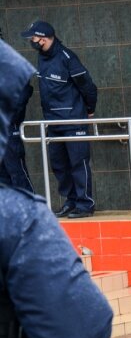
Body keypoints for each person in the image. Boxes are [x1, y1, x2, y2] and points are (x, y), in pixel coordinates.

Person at [0, 40, 113, 338]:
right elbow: (83, 329)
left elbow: (88, 87)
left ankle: (81, 203)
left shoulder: (66, 60)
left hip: (70, 126)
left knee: (74, 169)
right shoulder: (16, 219)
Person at [20, 20, 97, 218]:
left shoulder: (67, 57)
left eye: (33, 38)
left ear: (43, 38)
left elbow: (87, 86)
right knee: (60, 165)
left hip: (73, 121)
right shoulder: (42, 57)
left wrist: (89, 110)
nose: (31, 41)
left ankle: (85, 205)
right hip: (52, 122)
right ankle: (71, 202)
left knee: (78, 163)